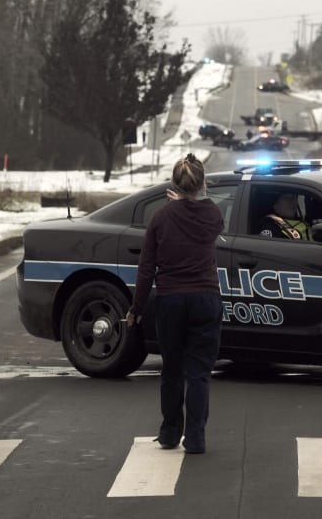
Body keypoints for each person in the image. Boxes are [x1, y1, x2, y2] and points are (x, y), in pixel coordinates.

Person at [125, 153, 224, 454]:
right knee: (198, 373)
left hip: (170, 300)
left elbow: (146, 269)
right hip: (206, 299)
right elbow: (201, 213)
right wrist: (186, 201)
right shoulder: (213, 215)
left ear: (174, 186)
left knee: (172, 371)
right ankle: (195, 438)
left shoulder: (161, 217)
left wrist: (136, 309)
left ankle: (169, 433)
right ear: (203, 183)